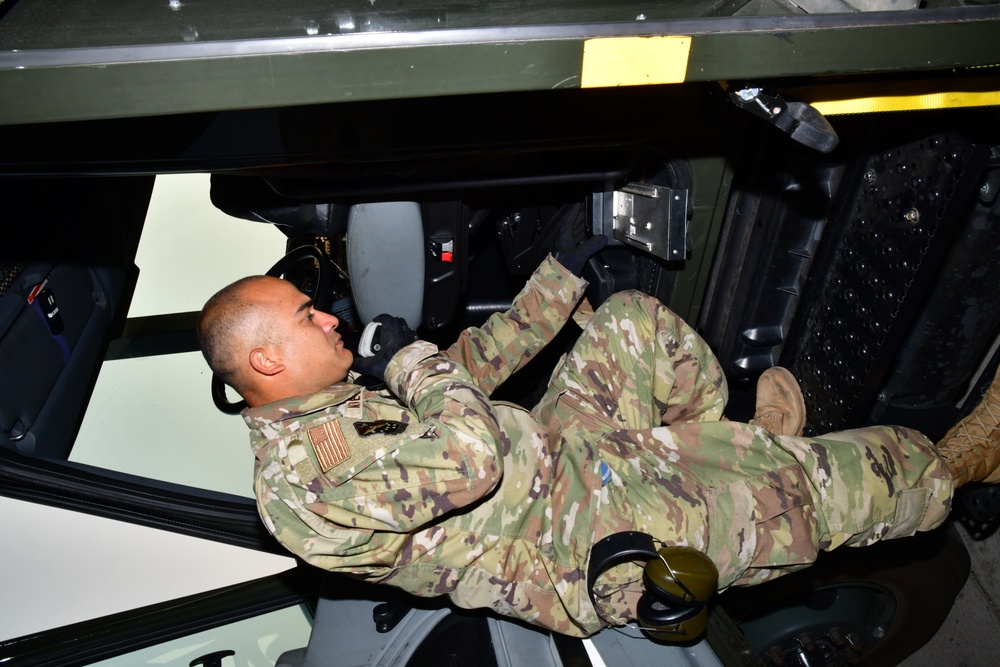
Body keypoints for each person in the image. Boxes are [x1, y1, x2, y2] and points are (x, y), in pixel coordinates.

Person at [198, 236, 1000, 639]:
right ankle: (960, 464)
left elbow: (471, 368)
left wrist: (562, 274)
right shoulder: (305, 489)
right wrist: (405, 358)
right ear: (266, 357)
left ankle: (731, 447)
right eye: (309, 315)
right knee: (813, 489)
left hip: (552, 460)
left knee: (630, 328)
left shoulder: (334, 402)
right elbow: (470, 456)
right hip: (572, 541)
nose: (330, 316)